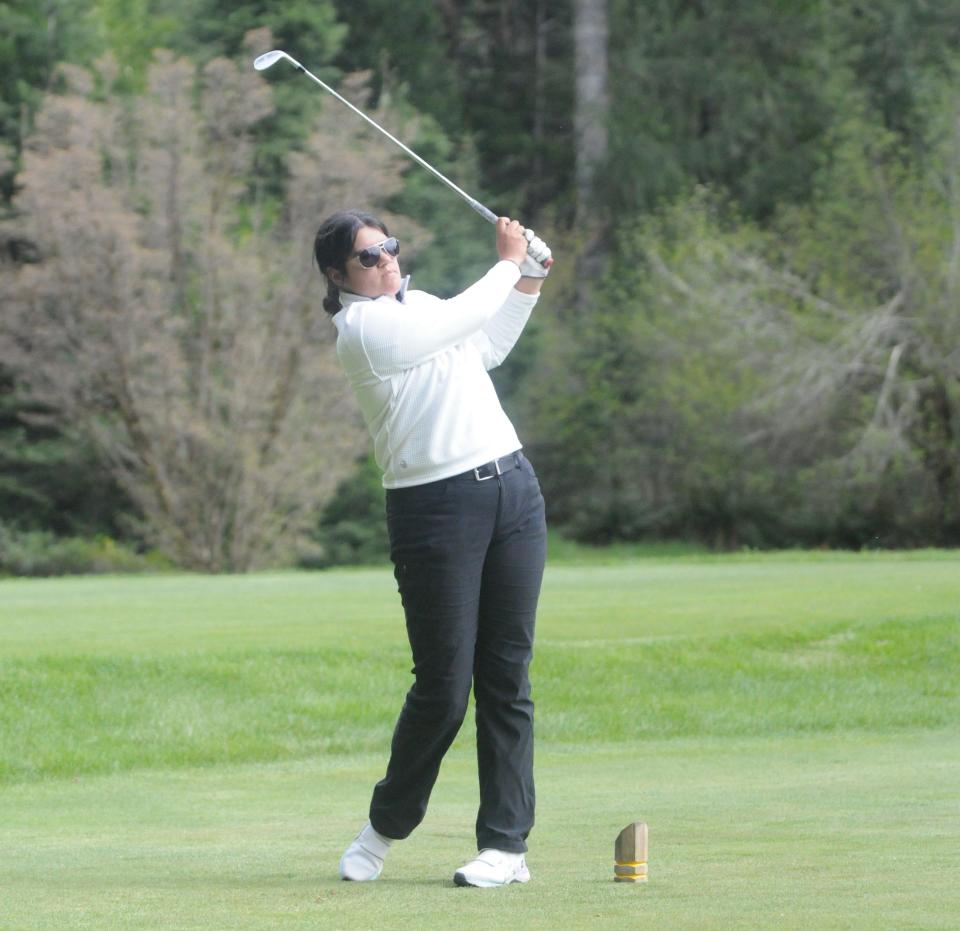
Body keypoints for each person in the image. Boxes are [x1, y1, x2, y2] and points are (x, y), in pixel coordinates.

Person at [313, 209, 552, 888]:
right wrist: (508, 262)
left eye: (388, 247)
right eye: (367, 256)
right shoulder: (363, 331)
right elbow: (455, 323)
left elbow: (486, 345)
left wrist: (528, 282)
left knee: (507, 676)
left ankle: (506, 845)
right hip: (434, 510)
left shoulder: (420, 306)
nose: (386, 259)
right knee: (444, 686)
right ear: (338, 275)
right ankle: (383, 828)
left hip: (512, 488)